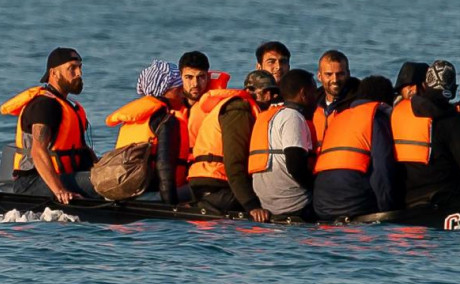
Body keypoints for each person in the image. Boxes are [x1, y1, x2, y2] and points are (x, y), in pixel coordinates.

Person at [0, 47, 98, 203]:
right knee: (103, 183)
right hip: (32, 182)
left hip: (65, 175)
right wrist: (60, 191)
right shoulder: (45, 105)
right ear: (54, 73)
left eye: (80, 67)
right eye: (72, 68)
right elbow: (38, 152)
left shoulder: (69, 106)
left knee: (111, 177)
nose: (79, 73)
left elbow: (83, 150)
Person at [391, 60, 460, 207]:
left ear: (425, 85)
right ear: (453, 89)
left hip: (406, 198)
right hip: (443, 195)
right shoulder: (453, 120)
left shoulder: (397, 112)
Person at [187, 71, 274, 222]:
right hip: (216, 181)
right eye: (265, 92)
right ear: (250, 91)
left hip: (208, 179)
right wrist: (252, 205)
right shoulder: (238, 111)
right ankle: (202, 205)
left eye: (273, 92)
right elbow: (234, 163)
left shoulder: (239, 108)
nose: (271, 97)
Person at [312, 75, 400, 220]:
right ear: (386, 100)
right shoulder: (376, 117)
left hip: (321, 207)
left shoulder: (338, 118)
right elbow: (382, 167)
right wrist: (389, 208)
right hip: (355, 206)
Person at [105, 60, 189, 204]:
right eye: (178, 88)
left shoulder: (133, 118)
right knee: (201, 190)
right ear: (165, 90)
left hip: (125, 191)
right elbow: (164, 166)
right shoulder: (166, 120)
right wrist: (171, 206)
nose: (183, 92)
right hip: (151, 194)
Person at [249, 69, 318, 219]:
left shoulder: (268, 116)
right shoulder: (293, 117)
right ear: (303, 93)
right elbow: (295, 164)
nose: (316, 98)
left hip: (266, 202)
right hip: (294, 203)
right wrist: (317, 187)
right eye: (314, 92)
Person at [313, 50, 360, 154]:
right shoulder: (311, 103)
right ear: (319, 76)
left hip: (345, 164)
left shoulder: (360, 103)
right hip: (316, 165)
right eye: (329, 74)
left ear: (348, 74)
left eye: (340, 74)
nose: (335, 79)